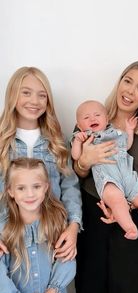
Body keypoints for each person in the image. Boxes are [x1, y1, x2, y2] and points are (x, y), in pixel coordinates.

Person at [73, 61, 138, 293]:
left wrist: (122, 206)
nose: (130, 91)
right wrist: (85, 161)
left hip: (131, 222)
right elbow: (77, 173)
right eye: (128, 81)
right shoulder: (91, 119)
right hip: (93, 220)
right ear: (119, 82)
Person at [0, 66, 82, 260]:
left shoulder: (57, 141)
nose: (34, 101)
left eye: (42, 95)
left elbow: (70, 187)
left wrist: (73, 226)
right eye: (26, 93)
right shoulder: (2, 142)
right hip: (8, 239)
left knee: (54, 289)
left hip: (51, 239)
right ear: (12, 95)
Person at [71, 100, 138, 240]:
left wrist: (129, 130)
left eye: (97, 115)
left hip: (127, 175)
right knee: (117, 199)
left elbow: (126, 146)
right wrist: (77, 141)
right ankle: (130, 227)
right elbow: (76, 156)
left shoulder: (115, 133)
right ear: (79, 125)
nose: (92, 119)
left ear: (106, 119)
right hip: (108, 180)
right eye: (86, 118)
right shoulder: (86, 138)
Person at [0, 157, 76, 293]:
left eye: (36, 186)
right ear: (10, 191)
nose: (30, 194)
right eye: (21, 188)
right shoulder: (5, 228)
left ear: (46, 187)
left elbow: (67, 260)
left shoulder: (57, 220)